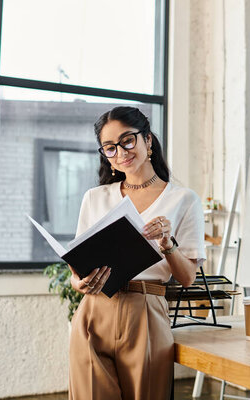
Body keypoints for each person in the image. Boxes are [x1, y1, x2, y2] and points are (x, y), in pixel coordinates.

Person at [67, 106, 206, 400]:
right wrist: (78, 283)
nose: (121, 152)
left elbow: (188, 277)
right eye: (110, 148)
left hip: (146, 311)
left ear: (148, 140)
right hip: (94, 312)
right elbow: (75, 274)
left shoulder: (183, 199)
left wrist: (168, 245)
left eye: (128, 140)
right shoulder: (95, 198)